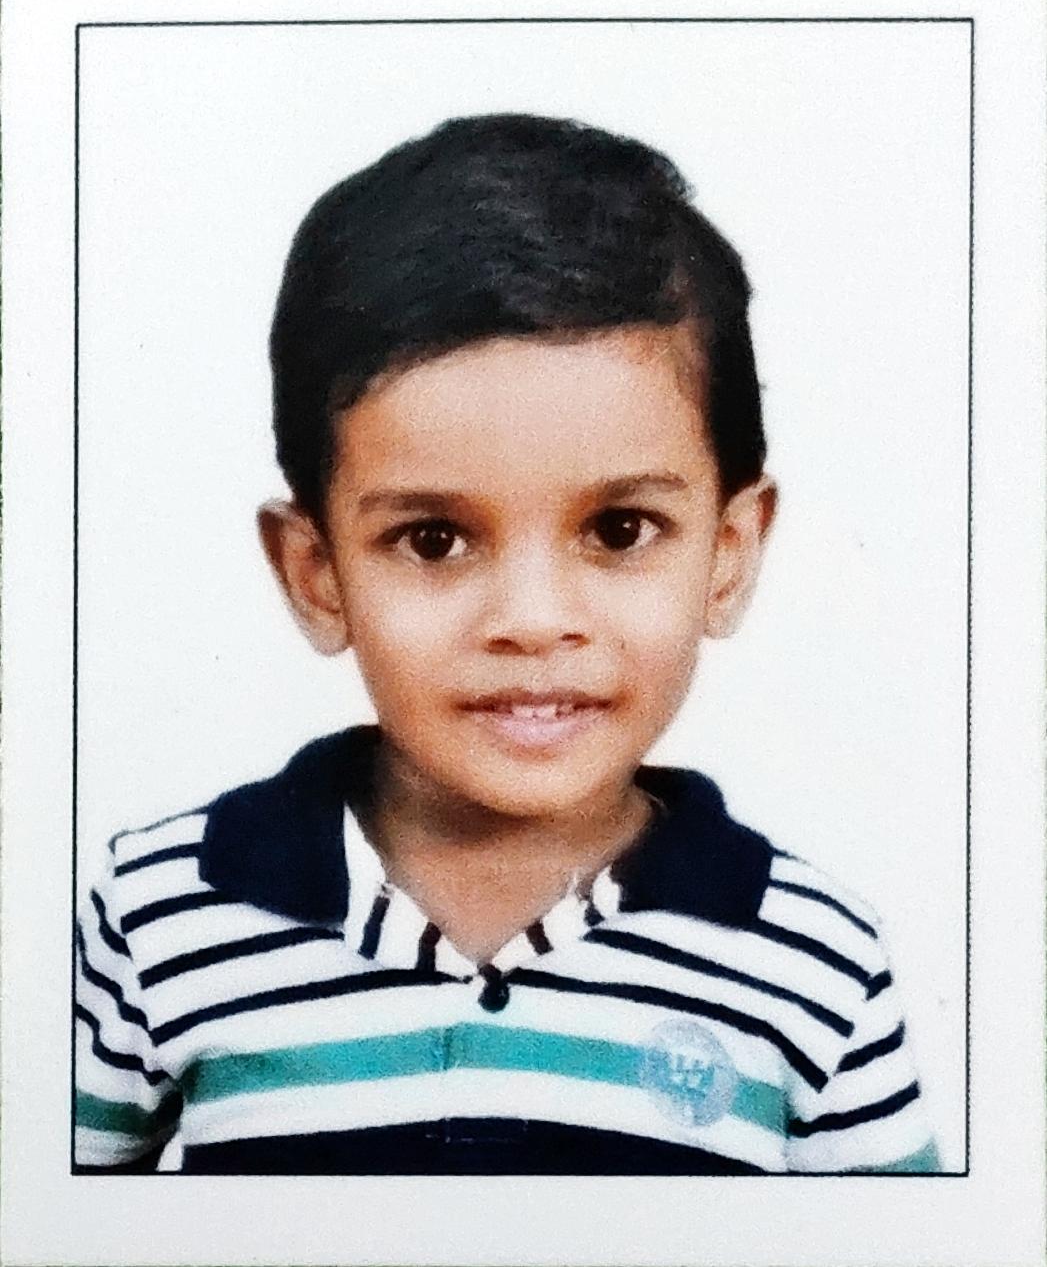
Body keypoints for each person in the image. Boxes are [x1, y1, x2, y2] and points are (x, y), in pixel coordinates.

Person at [74, 114, 939, 1175]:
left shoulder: (816, 963)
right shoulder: (157, 916)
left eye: (618, 530)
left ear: (728, 555)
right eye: (433, 540)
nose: (531, 620)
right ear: (315, 573)